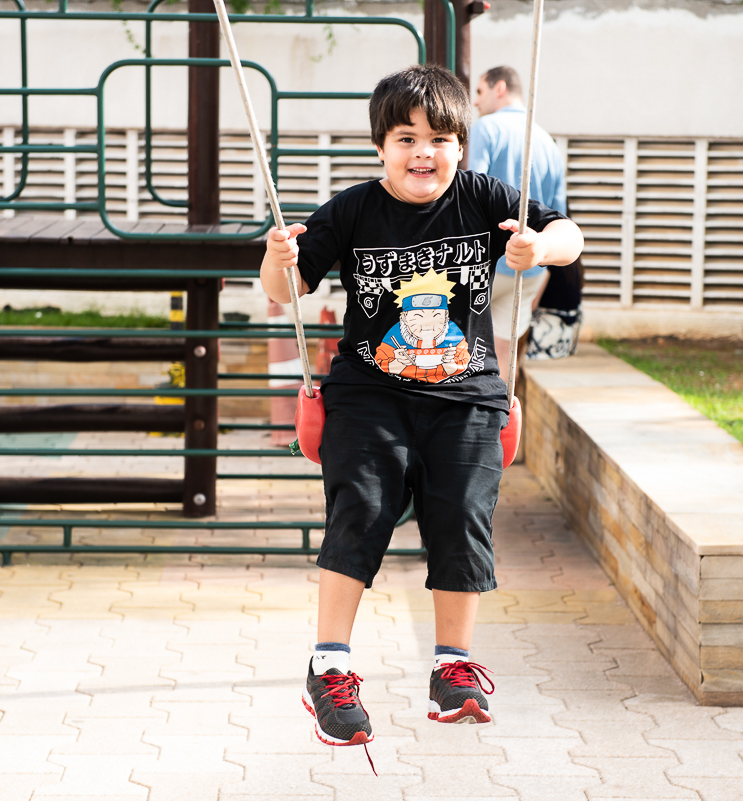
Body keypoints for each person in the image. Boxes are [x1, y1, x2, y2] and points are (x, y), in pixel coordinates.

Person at [259, 64, 583, 747]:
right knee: (362, 508)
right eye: (406, 139)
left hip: (466, 396)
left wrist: (538, 246)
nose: (423, 153)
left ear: (462, 145)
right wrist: (276, 258)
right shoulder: (353, 209)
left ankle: (452, 667)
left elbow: (570, 236)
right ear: (381, 147)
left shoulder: (483, 197)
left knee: (461, 514)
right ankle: (330, 667)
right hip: (368, 395)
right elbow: (285, 290)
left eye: (439, 139)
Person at [470, 65, 579, 377]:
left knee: (458, 347)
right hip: (530, 267)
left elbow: (470, 192)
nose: (475, 101)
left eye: (480, 91)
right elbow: (558, 214)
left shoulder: (485, 128)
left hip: (486, 263)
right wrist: (542, 271)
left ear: (499, 88)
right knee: (505, 358)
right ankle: (503, 411)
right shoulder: (546, 140)